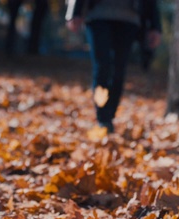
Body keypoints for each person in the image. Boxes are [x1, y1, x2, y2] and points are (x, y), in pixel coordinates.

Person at [66, 0, 162, 133]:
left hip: (128, 18)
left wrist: (155, 26)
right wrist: (75, 12)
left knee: (119, 71)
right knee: (102, 68)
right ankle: (102, 117)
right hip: (98, 15)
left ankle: (110, 114)